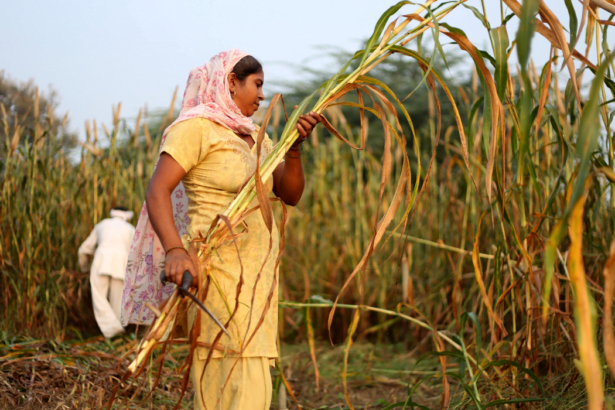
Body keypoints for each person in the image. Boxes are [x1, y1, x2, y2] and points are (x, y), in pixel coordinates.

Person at [121, 49, 321, 410]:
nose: (262, 95)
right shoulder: (195, 129)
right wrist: (176, 251)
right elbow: (157, 190)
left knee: (251, 384)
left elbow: (288, 194)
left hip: (257, 284)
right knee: (226, 380)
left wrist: (294, 150)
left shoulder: (256, 136)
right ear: (231, 82)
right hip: (218, 278)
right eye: (257, 85)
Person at [78, 207, 135, 338]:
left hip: (101, 261)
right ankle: (117, 334)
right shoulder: (130, 229)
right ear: (126, 216)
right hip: (121, 264)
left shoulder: (102, 224)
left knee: (99, 296)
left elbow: (83, 250)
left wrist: (84, 269)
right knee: (118, 301)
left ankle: (113, 331)